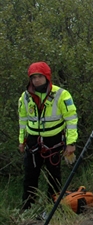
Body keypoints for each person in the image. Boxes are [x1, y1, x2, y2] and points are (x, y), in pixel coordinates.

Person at [18, 61, 78, 210]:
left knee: (54, 177)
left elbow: (71, 119)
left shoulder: (61, 95)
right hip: (32, 142)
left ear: (47, 77)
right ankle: (27, 208)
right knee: (30, 176)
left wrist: (71, 143)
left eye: (39, 76)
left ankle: (54, 206)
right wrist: (21, 140)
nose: (36, 80)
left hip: (53, 142)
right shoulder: (25, 97)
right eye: (33, 77)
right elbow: (22, 120)